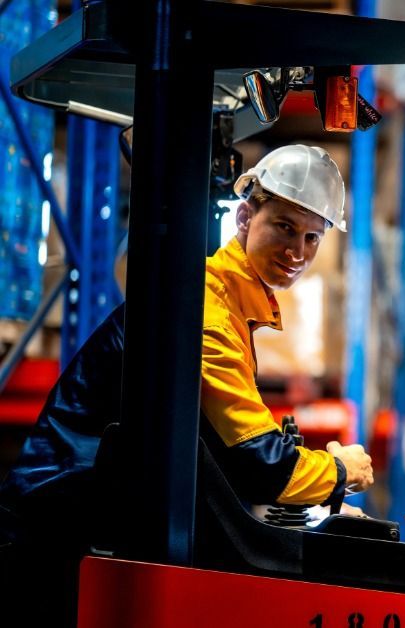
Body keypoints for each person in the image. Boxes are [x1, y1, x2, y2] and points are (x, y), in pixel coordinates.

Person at [0, 145, 373, 583]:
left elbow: (223, 450)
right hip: (59, 538)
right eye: (284, 227)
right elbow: (260, 465)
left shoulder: (230, 304)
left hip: (89, 527)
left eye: (312, 237)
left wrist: (314, 495)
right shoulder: (207, 308)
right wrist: (340, 471)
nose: (297, 251)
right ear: (245, 219)